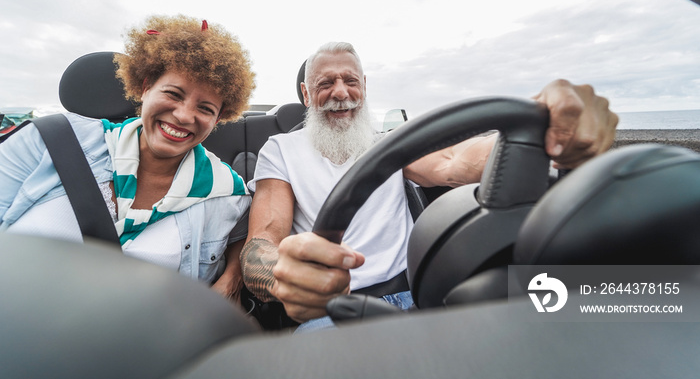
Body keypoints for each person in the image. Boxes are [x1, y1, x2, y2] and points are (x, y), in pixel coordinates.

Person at [240, 41, 618, 331]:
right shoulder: (281, 149)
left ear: (364, 88)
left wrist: (547, 132)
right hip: (330, 310)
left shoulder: (389, 143)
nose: (340, 92)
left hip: (417, 296)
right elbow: (262, 242)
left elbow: (454, 162)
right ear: (306, 95)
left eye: (350, 81)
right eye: (326, 83)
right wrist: (284, 278)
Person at [0, 15, 255, 301]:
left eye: (206, 108)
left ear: (218, 119)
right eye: (173, 93)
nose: (184, 116)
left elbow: (243, 237)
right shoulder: (46, 140)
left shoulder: (227, 191)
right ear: (146, 87)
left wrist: (233, 277)